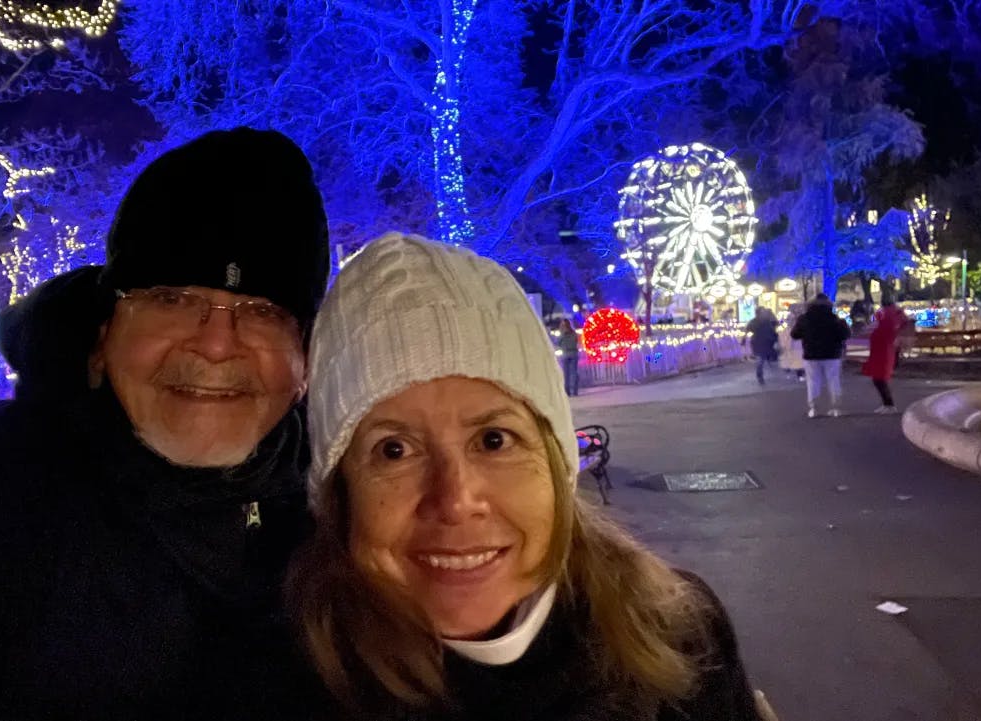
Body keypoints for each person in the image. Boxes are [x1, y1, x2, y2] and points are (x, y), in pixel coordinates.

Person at [0, 128, 330, 719]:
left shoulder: (338, 505)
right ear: (102, 340)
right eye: (170, 298)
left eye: (263, 311)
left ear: (303, 364)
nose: (218, 343)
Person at [290, 233, 766, 720]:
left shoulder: (686, 636)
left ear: (555, 459)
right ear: (340, 493)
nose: (456, 499)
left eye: (494, 440)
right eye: (393, 451)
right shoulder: (269, 683)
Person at [791, 293, 850, 418]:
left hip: (811, 354)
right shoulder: (834, 319)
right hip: (832, 353)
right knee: (833, 380)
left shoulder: (804, 319)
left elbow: (795, 334)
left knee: (813, 381)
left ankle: (814, 408)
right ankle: (836, 408)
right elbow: (845, 334)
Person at [862, 300, 906, 414]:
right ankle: (887, 404)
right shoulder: (894, 316)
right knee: (879, 378)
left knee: (879, 378)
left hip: (882, 352)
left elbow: (873, 328)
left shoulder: (885, 317)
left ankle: (889, 404)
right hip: (883, 351)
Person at [744, 307, 779, 385]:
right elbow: (747, 330)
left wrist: (775, 337)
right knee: (760, 360)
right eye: (763, 312)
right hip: (758, 343)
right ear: (758, 313)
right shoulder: (754, 322)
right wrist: (744, 338)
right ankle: (760, 375)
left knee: (764, 359)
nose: (764, 313)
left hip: (766, 343)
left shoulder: (766, 321)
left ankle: (762, 373)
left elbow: (773, 328)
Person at [555, 317, 580, 397]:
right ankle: (574, 391)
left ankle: (567, 390)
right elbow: (576, 341)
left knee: (566, 373)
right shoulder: (573, 333)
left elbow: (558, 343)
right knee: (574, 373)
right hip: (574, 353)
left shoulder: (562, 334)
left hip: (565, 354)